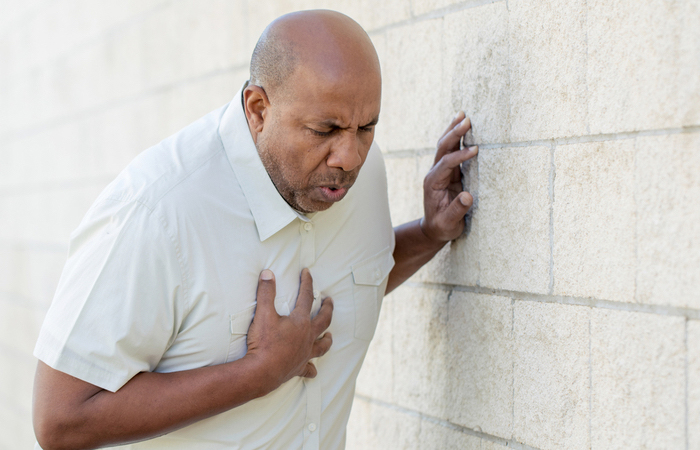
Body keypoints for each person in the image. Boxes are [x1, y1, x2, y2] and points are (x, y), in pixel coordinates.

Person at [32, 9, 478, 450]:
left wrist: (429, 233)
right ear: (259, 109)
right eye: (326, 129)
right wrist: (258, 373)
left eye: (367, 128)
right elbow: (61, 420)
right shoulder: (156, 211)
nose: (349, 157)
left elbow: (351, 281)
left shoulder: (356, 174)